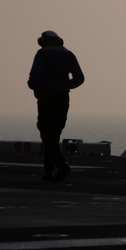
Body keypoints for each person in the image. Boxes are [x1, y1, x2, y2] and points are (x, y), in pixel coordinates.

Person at [28, 30, 84, 182]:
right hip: (62, 97)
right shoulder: (68, 54)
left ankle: (60, 165)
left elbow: (34, 78)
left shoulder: (42, 54)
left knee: (46, 133)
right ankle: (49, 172)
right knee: (54, 133)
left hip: (46, 97)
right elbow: (79, 78)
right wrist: (65, 85)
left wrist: (35, 86)